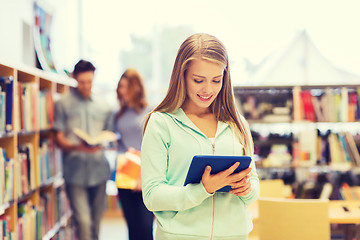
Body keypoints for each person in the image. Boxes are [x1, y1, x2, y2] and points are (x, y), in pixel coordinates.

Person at [141, 33, 260, 240]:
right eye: (198, 80)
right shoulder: (161, 123)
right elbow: (152, 196)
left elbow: (254, 187)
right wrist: (203, 189)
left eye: (216, 80)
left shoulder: (237, 124)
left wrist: (247, 188)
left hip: (234, 235)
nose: (208, 89)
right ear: (182, 76)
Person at [54, 60, 113, 240]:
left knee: (95, 224)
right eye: (82, 82)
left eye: (89, 81)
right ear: (74, 79)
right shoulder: (62, 104)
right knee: (84, 223)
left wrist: (103, 142)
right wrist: (77, 147)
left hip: (99, 171)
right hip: (75, 172)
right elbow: (58, 137)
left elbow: (110, 136)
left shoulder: (105, 106)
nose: (86, 86)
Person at [114, 68, 154, 240]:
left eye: (125, 87)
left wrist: (141, 175)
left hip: (145, 175)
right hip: (125, 175)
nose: (121, 91)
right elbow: (119, 143)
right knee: (132, 227)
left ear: (136, 87)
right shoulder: (118, 115)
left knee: (145, 227)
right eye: (120, 87)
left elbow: (154, 146)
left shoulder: (151, 112)